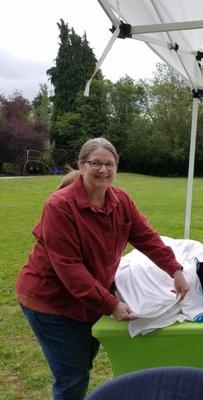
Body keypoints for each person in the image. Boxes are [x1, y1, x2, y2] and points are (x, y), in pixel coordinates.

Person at [15, 137, 189, 400]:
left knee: (82, 365)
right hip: (51, 302)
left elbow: (146, 237)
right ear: (81, 165)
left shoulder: (120, 200)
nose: (104, 170)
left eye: (110, 164)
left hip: (88, 299)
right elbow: (69, 268)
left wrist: (174, 269)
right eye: (96, 163)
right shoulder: (60, 206)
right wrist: (111, 304)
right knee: (71, 377)